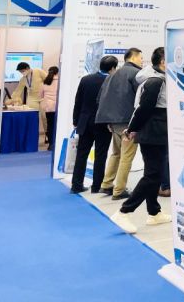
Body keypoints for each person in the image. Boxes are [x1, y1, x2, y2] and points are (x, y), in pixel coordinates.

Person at [110, 47, 172, 234]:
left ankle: (154, 212)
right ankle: (124, 212)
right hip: (153, 132)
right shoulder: (155, 81)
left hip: (157, 132)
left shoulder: (159, 79)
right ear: (163, 62)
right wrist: (132, 129)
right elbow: (144, 109)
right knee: (152, 175)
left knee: (155, 173)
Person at [96, 47, 143, 200]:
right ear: (134, 57)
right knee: (126, 156)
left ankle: (106, 184)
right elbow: (141, 98)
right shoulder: (136, 74)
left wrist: (108, 121)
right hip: (128, 122)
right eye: (141, 58)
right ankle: (119, 190)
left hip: (113, 122)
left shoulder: (112, 75)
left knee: (116, 153)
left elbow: (101, 98)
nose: (142, 61)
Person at [70, 55, 118, 194]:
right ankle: (97, 186)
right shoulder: (112, 81)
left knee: (81, 154)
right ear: (113, 68)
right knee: (101, 155)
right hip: (103, 123)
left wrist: (75, 121)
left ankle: (76, 185)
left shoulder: (86, 79)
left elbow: (78, 101)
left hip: (85, 122)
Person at [41, 66, 59, 150]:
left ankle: (51, 144)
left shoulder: (45, 82)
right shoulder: (60, 82)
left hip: (48, 107)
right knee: (57, 125)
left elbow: (41, 95)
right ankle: (57, 143)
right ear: (57, 72)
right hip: (57, 107)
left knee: (50, 125)